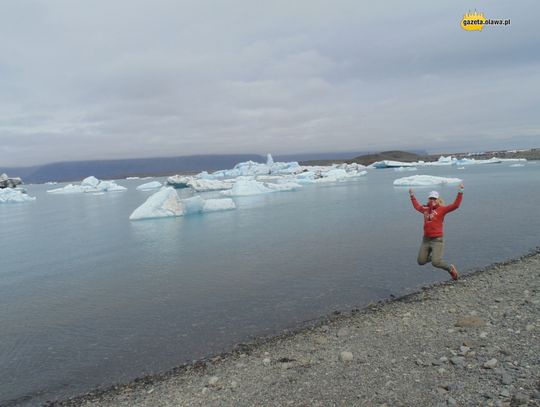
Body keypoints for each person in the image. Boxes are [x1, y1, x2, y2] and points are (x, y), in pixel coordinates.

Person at [408, 183, 464, 280]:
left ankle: (450, 269)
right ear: (428, 199)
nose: (432, 200)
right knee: (421, 261)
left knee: (436, 262)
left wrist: (460, 191)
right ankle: (433, 255)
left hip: (437, 240)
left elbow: (456, 205)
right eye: (431, 198)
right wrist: (412, 195)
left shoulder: (442, 209)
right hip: (426, 240)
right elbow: (416, 206)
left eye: (434, 198)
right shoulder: (424, 209)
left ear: (438, 199)